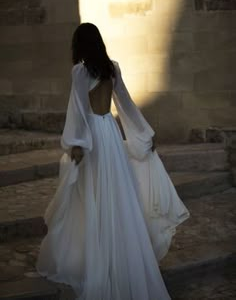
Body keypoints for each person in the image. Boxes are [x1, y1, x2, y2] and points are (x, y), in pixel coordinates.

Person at [36, 23, 190, 300]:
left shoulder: (81, 71)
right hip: (110, 132)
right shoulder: (112, 67)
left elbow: (79, 110)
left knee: (93, 195)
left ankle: (101, 257)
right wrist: (143, 133)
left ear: (79, 45)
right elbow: (127, 105)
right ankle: (116, 251)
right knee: (116, 193)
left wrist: (76, 143)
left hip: (94, 135)